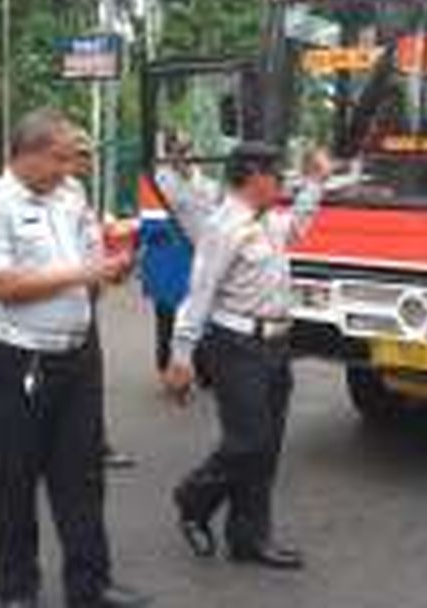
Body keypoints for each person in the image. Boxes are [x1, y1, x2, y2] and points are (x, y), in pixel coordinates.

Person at [0, 108, 149, 608]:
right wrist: (83, 275)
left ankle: (90, 584)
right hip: (17, 363)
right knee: (12, 482)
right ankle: (17, 590)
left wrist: (109, 271)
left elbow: (88, 262)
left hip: (77, 357)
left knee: (83, 478)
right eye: (60, 158)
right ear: (27, 154)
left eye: (73, 159)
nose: (70, 168)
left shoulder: (71, 195)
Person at [163, 141, 331, 569]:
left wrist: (315, 183)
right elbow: (199, 294)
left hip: (276, 344)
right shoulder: (223, 226)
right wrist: (180, 357)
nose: (281, 181)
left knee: (267, 448)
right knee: (249, 441)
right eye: (275, 173)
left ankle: (249, 538)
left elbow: (299, 227)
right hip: (237, 347)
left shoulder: (269, 218)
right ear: (253, 176)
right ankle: (193, 498)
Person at [64, 128, 137, 471]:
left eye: (90, 153)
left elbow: (89, 240)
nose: (88, 160)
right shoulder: (52, 194)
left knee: (88, 378)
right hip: (62, 301)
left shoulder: (76, 191)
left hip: (85, 297)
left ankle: (93, 445)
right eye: (82, 153)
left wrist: (108, 268)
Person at [143, 132, 221, 376]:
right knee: (167, 314)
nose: (185, 156)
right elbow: (159, 213)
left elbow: (213, 208)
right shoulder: (159, 182)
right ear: (169, 154)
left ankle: (205, 368)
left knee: (202, 314)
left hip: (202, 256)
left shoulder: (204, 182)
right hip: (171, 258)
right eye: (179, 150)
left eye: (188, 149)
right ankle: (167, 366)